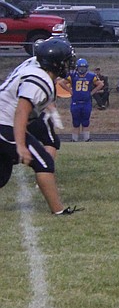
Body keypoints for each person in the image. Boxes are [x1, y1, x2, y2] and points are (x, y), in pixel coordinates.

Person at [0, 38, 82, 215]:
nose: (69, 64)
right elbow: (21, 111)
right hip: (4, 123)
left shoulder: (37, 73)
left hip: (5, 122)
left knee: (2, 174)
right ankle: (59, 211)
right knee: (43, 162)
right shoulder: (40, 79)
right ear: (56, 63)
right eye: (67, 61)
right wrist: (21, 145)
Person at [68, 57, 98, 142]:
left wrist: (92, 92)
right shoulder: (73, 75)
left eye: (83, 68)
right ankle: (74, 139)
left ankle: (86, 139)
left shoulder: (91, 76)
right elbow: (62, 82)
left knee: (86, 122)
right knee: (76, 122)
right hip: (76, 102)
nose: (82, 69)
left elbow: (100, 84)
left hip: (86, 102)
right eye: (80, 68)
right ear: (77, 67)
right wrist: (70, 91)